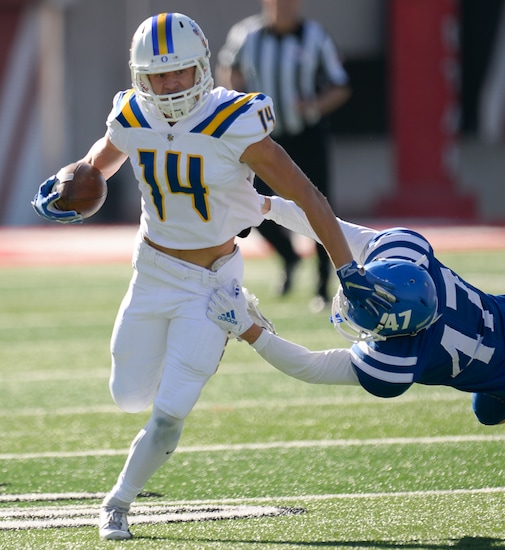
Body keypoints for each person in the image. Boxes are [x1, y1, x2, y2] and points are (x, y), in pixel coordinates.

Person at [30, 13, 389, 541]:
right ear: (140, 77)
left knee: (170, 411)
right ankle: (184, 360)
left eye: (179, 72)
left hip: (215, 284)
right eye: (158, 75)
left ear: (202, 68)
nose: (170, 84)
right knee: (128, 395)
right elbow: (97, 164)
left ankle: (118, 504)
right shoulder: (132, 114)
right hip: (153, 272)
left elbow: (307, 195)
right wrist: (72, 183)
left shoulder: (234, 120)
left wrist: (346, 267)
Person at [207, 195, 505, 487]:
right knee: (487, 411)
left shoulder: (398, 359)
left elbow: (311, 366)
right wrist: (265, 205)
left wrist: (250, 330)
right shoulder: (407, 259)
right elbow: (326, 225)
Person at [216, 0, 352, 310]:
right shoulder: (246, 34)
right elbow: (229, 68)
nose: (283, 8)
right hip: (262, 138)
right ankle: (289, 256)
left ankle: (323, 284)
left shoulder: (316, 36)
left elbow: (341, 85)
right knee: (250, 204)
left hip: (307, 134)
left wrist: (315, 105)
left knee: (317, 205)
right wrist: (239, 104)